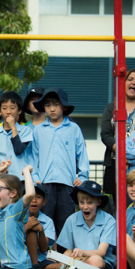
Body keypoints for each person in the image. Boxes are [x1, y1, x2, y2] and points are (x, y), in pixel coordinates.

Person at [32, 87, 90, 236]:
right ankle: (45, 256)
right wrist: (36, 178)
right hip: (45, 182)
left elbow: (81, 154)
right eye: (48, 105)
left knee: (66, 222)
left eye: (56, 104)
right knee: (45, 220)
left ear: (64, 106)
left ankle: (64, 257)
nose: (52, 109)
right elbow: (34, 156)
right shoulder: (39, 130)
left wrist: (82, 177)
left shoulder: (74, 128)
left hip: (67, 182)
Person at [46, 181, 117, 269]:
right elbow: (68, 251)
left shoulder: (108, 220)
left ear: (99, 202)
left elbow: (101, 252)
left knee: (95, 260)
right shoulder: (71, 219)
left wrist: (81, 253)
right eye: (81, 202)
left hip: (100, 264)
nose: (85, 206)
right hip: (76, 262)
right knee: (49, 262)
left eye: (90, 202)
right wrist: (63, 261)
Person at [101, 69, 135, 200]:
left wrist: (133, 154)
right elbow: (105, 134)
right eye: (130, 79)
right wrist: (121, 151)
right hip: (115, 162)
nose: (134, 83)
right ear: (123, 83)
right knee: (118, 205)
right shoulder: (112, 107)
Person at [0, 92, 36, 183]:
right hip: (2, 178)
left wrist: (13, 127)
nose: (8, 111)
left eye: (12, 108)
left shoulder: (26, 131)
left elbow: (18, 150)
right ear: (0, 111)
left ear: (19, 111)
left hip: (21, 179)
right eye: (4, 108)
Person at [25, 183, 56, 269]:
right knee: (31, 227)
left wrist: (41, 230)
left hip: (41, 260)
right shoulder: (17, 218)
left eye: (38, 197)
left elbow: (43, 249)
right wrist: (26, 227)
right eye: (31, 197)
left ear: (44, 202)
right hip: (22, 258)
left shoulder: (48, 221)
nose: (34, 200)